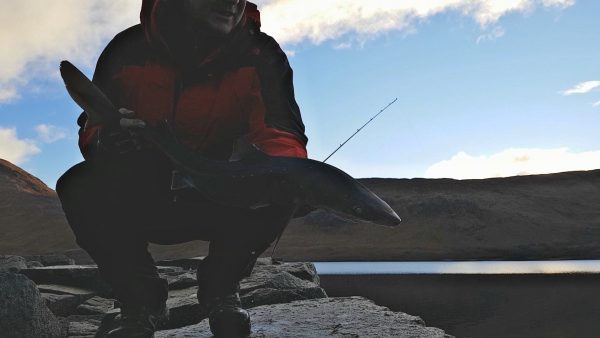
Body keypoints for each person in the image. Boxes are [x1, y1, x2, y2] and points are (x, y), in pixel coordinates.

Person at [56, 0, 307, 337]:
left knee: (280, 182)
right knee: (79, 186)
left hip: (225, 197)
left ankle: (221, 291)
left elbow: (281, 133)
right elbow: (93, 129)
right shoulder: (126, 51)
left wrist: (279, 169)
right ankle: (140, 304)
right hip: (146, 195)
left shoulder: (261, 55)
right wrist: (107, 141)